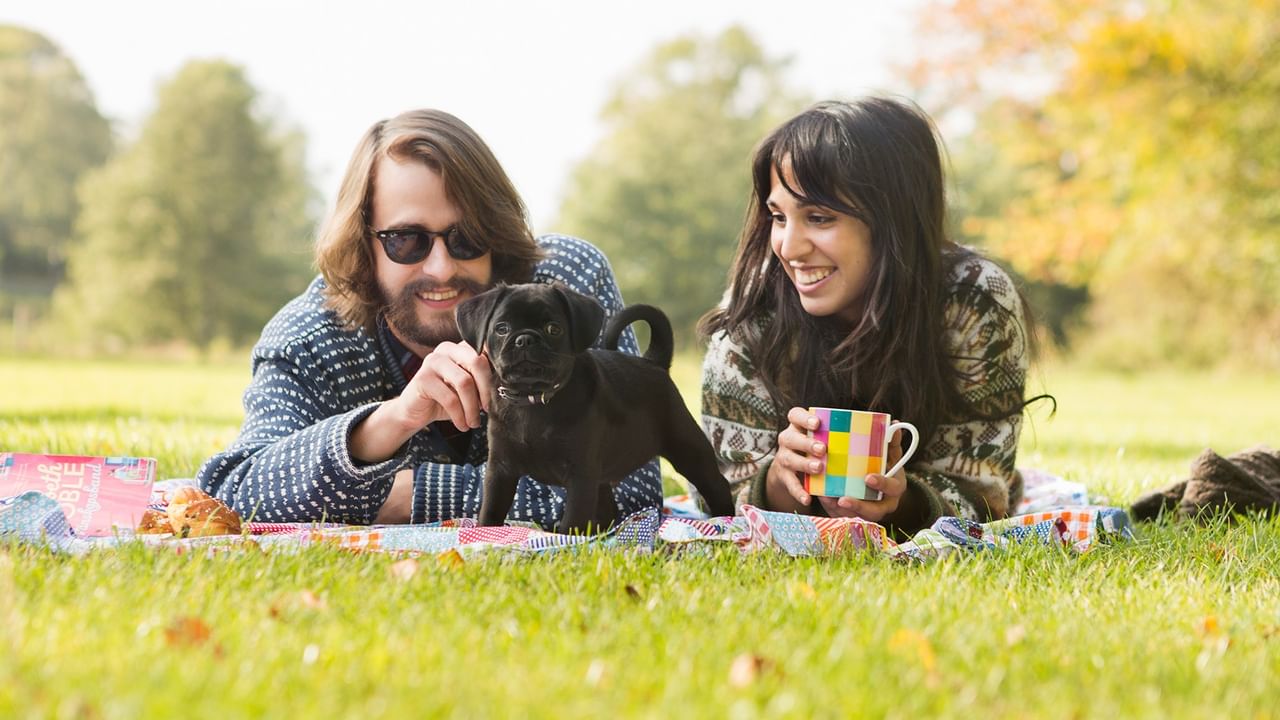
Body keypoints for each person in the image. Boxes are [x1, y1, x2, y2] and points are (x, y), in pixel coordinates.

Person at [197, 109, 662, 526]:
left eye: (467, 237)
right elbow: (235, 494)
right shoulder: (310, 338)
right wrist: (389, 423)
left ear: (496, 235)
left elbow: (631, 491)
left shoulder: (565, 287)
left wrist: (413, 495)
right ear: (363, 244)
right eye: (406, 240)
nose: (441, 268)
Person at [699, 97, 1042, 536]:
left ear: (894, 219)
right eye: (778, 216)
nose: (789, 246)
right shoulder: (754, 312)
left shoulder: (975, 301)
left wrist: (904, 503)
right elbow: (717, 495)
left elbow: (984, 490)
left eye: (819, 217)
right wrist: (780, 483)